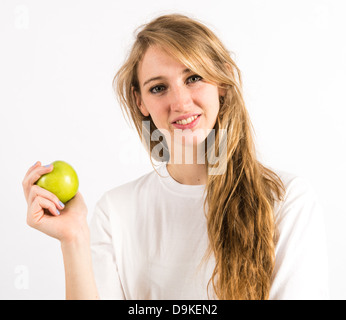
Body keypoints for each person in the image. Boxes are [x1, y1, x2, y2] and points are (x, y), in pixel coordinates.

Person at [22, 14, 329, 300]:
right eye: (159, 88)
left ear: (221, 83)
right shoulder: (115, 212)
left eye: (193, 77)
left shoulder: (285, 199)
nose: (180, 102)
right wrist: (73, 239)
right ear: (140, 102)